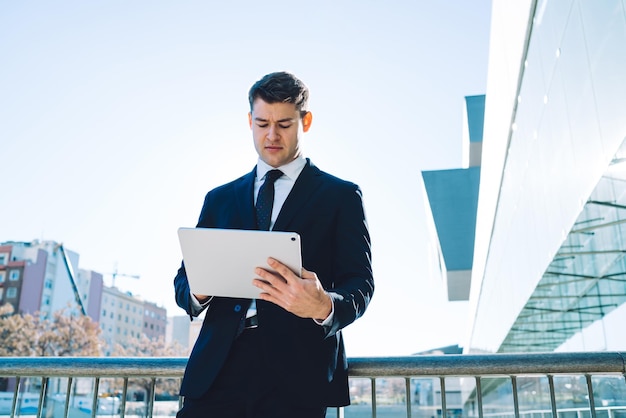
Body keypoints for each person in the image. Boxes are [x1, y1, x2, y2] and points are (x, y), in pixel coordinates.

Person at [174, 71, 374, 418]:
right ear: (249, 121)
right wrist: (199, 291)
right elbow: (183, 282)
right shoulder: (219, 198)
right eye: (262, 123)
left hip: (296, 377)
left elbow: (360, 283)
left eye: (284, 124)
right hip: (216, 372)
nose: (271, 135)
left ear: (305, 121)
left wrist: (324, 305)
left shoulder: (341, 196)